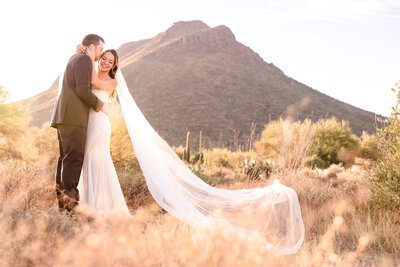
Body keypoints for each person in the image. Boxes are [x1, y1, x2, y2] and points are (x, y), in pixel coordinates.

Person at [50, 34, 108, 212]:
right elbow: (82, 90)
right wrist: (101, 106)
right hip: (74, 118)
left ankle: (63, 207)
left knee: (65, 161)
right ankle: (70, 210)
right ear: (91, 46)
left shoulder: (76, 57)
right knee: (73, 162)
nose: (101, 53)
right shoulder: (84, 60)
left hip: (64, 117)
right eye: (100, 49)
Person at [76, 46, 131, 216]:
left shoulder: (112, 82)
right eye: (104, 58)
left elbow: (94, 83)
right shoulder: (90, 72)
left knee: (98, 161)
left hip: (99, 124)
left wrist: (90, 58)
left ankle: (100, 207)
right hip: (85, 122)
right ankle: (86, 202)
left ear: (114, 66)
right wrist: (84, 56)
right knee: (86, 161)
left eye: (110, 61)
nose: (106, 62)